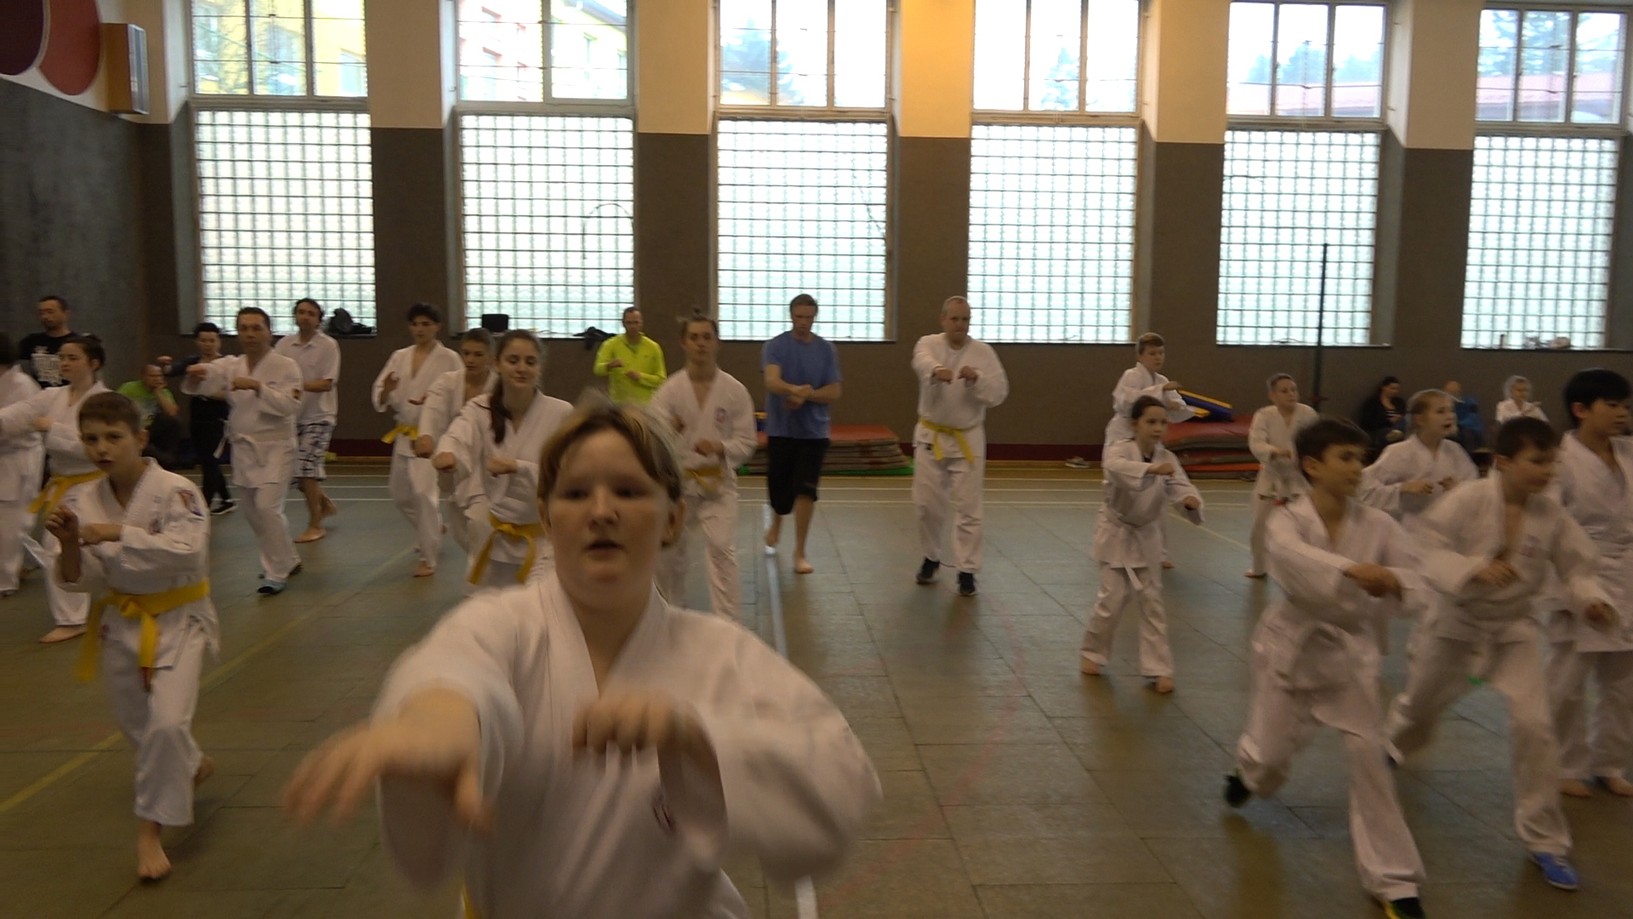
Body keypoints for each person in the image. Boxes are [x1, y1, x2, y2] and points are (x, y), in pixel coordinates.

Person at [283, 400, 880, 918]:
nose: (601, 511)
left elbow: (841, 786)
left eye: (628, 491)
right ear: (546, 517)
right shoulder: (502, 625)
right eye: (575, 493)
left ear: (673, 517)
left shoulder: (720, 654)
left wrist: (697, 738)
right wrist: (439, 718)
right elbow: (457, 667)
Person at [1385, 417, 1615, 892]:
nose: (1548, 471)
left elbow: (1577, 567)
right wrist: (1472, 568)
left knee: (1536, 728)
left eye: (1552, 461)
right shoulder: (1467, 500)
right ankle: (1390, 748)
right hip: (1456, 625)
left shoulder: (1551, 514)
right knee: (1419, 710)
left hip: (1513, 630)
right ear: (1503, 462)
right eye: (1538, 461)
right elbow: (1426, 547)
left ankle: (1546, 840)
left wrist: (1590, 599)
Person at [1225, 419, 1428, 919]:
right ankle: (1249, 774)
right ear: (1313, 466)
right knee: (1271, 760)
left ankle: (1395, 881)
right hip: (1292, 648)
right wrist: (1352, 570)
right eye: (1346, 458)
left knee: (1369, 760)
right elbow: (1292, 559)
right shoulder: (1287, 520)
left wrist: (1395, 581)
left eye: (1361, 458)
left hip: (1348, 657)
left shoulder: (1379, 525)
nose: (1357, 468)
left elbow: (1417, 576)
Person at [44, 392, 217, 881]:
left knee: (166, 724)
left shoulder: (177, 491)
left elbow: (189, 551)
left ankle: (149, 832)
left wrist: (116, 533)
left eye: (113, 437)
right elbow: (79, 579)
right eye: (91, 439)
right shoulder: (80, 499)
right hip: (120, 623)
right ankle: (191, 764)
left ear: (140, 438)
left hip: (179, 619)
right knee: (140, 729)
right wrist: (69, 543)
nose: (101, 448)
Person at [1544, 369, 1633, 799]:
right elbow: (1548, 528)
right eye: (1611, 405)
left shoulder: (1629, 452)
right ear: (1581, 409)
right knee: (1567, 682)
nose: (1622, 413)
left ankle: (1609, 763)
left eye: (1625, 405)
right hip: (1579, 572)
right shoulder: (1558, 461)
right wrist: (1572, 591)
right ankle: (1565, 765)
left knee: (1624, 683)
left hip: (1627, 574)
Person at [1079, 396, 1204, 694]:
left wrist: (1189, 500)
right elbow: (1115, 469)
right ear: (1135, 424)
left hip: (1146, 535)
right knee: (1111, 600)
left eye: (1162, 422)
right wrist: (1150, 471)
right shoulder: (1120, 450)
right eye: (1151, 422)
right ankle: (1092, 652)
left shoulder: (1167, 458)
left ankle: (1159, 668)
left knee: (1152, 603)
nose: (1158, 428)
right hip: (1116, 532)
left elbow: (1180, 485)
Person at [434, 331, 572, 590]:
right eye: (513, 360)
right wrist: (448, 454)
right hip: (494, 537)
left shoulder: (561, 413)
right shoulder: (480, 409)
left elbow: (570, 473)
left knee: (541, 606)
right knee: (487, 607)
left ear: (539, 367)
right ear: (496, 364)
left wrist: (518, 467)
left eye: (530, 362)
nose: (522, 368)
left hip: (544, 541)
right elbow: (457, 435)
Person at [182, 308, 303, 596]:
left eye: (256, 328)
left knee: (267, 508)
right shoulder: (232, 365)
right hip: (244, 449)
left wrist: (258, 387)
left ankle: (275, 571)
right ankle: (286, 558)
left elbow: (290, 405)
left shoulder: (287, 366)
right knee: (252, 512)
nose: (250, 334)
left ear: (269, 332)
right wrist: (198, 375)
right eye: (244, 328)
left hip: (277, 448)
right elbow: (208, 379)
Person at [0, 335, 109, 641]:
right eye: (62, 358)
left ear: (93, 363)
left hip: (96, 483)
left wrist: (54, 429)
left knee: (99, 547)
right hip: (64, 485)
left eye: (73, 358)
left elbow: (97, 447)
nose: (64, 363)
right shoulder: (52, 396)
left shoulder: (104, 401)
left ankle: (92, 612)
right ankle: (73, 618)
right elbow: (17, 415)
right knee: (58, 545)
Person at [651, 314, 757, 619]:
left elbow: (747, 440)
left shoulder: (734, 391)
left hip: (718, 484)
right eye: (694, 337)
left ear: (717, 342)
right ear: (683, 343)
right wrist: (667, 429)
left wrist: (720, 447)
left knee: (722, 549)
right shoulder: (669, 391)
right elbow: (651, 438)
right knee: (669, 553)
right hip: (678, 486)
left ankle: (728, 622)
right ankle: (670, 614)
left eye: (707, 337)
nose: (701, 344)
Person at [910, 296, 1009, 597]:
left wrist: (977, 379)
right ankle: (931, 557)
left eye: (965, 319)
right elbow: (920, 361)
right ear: (943, 320)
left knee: (969, 508)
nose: (960, 325)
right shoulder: (928, 344)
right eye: (954, 319)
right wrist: (936, 370)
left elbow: (999, 393)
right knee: (926, 505)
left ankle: (967, 570)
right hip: (932, 436)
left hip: (968, 437)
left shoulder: (983, 353)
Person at [372, 303, 463, 578]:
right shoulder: (399, 356)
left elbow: (459, 394)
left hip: (431, 436)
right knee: (400, 495)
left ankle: (428, 557)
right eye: (415, 324)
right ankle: (433, 526)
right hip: (404, 433)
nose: (420, 329)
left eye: (426, 324)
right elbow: (380, 392)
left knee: (424, 495)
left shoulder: (449, 359)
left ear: (437, 327)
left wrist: (434, 399)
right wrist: (386, 391)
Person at [762, 294, 842, 575]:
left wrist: (808, 395)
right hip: (782, 430)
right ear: (791, 316)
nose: (803, 322)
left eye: (808, 318)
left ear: (814, 317)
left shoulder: (826, 350)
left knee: (806, 490)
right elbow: (772, 381)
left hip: (814, 432)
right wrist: (793, 390)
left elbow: (834, 391)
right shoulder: (776, 346)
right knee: (780, 492)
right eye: (799, 317)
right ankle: (776, 521)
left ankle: (800, 550)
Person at [1104, 333, 1191, 570]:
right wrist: (1160, 391)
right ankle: (1115, 546)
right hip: (1124, 435)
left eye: (1161, 353)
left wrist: (1175, 406)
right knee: (1121, 493)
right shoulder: (1131, 376)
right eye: (1152, 353)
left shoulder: (1162, 380)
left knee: (1157, 493)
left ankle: (1159, 552)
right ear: (1140, 356)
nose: (1158, 357)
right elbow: (1125, 403)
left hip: (1149, 439)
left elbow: (1179, 409)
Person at [414, 328, 497, 555]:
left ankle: (482, 565)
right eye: (466, 353)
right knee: (459, 523)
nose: (470, 359)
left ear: (491, 358)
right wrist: (426, 435)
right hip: (452, 458)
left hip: (488, 461)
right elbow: (433, 408)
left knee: (481, 519)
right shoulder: (448, 381)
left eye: (478, 354)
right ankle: (476, 559)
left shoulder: (499, 387)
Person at [273, 298, 342, 544]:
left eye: (311, 313)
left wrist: (295, 386)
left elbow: (326, 383)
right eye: (301, 312)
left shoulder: (328, 346)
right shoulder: (284, 344)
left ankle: (315, 524)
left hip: (319, 417)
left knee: (305, 467)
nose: (305, 317)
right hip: (292, 417)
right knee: (296, 472)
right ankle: (323, 503)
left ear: (319, 319)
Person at [1359, 389, 1478, 530]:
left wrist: (1458, 489)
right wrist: (1402, 488)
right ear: (1419, 419)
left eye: (1451, 411)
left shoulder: (1455, 451)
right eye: (1440, 411)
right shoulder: (1398, 452)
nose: (1450, 416)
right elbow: (1364, 488)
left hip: (1446, 531)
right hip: (1406, 531)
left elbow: (1474, 488)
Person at [1245, 373, 1319, 579]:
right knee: (1260, 526)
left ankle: (1307, 568)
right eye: (1284, 391)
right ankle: (1259, 567)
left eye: (1293, 390)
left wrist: (1298, 455)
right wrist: (1275, 451)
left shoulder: (1308, 414)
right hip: (1271, 476)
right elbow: (1256, 442)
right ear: (1272, 395)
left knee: (1306, 525)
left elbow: (1316, 442)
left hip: (1300, 478)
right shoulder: (1264, 415)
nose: (1291, 394)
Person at [162, 323, 234, 515]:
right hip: (197, 415)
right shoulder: (193, 362)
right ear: (197, 342)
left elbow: (230, 393)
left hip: (217, 417)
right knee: (205, 459)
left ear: (218, 341)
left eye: (212, 340)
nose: (208, 344)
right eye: (203, 340)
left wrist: (207, 391)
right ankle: (227, 499)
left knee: (210, 460)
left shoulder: (226, 365)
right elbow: (173, 370)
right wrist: (165, 366)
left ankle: (203, 505)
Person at [0, 333, 43, 597]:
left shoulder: (23, 385)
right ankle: (32, 558)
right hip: (4, 455)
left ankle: (4, 581)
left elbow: (11, 423)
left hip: (19, 458)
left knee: (11, 520)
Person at [116, 364, 186, 470]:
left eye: (159, 376)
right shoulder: (129, 388)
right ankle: (168, 461)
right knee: (147, 447)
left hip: (153, 428)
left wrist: (158, 392)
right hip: (134, 427)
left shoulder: (164, 392)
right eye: (152, 376)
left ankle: (168, 458)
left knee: (173, 421)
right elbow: (115, 406)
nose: (157, 379)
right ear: (143, 377)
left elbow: (172, 413)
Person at [593, 306, 666, 404]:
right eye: (629, 323)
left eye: (636, 322)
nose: (632, 326)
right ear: (623, 323)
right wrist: (609, 365)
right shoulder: (611, 344)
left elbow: (661, 380)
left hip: (645, 406)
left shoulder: (653, 347)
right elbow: (597, 369)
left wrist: (640, 377)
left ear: (641, 323)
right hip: (619, 405)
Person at [19, 294, 76, 387]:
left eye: (50, 312)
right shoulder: (32, 341)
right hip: (39, 393)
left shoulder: (78, 342)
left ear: (66, 314)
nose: (45, 316)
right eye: (41, 313)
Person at [1355, 376, 1407, 459]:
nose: (1395, 391)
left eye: (1397, 389)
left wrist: (1398, 419)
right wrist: (1389, 421)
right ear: (1383, 387)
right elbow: (1366, 422)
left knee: (1403, 421)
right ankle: (1395, 434)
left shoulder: (1399, 402)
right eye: (1392, 388)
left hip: (1398, 428)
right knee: (1388, 432)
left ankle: (1396, 433)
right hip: (1379, 430)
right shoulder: (1373, 402)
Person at [1442, 380, 1486, 455]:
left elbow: (1473, 418)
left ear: (1459, 392)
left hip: (1471, 432)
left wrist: (1457, 425)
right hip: (1451, 431)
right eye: (1448, 392)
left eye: (1454, 392)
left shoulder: (1470, 402)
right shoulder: (1442, 406)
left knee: (1464, 434)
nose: (1451, 395)